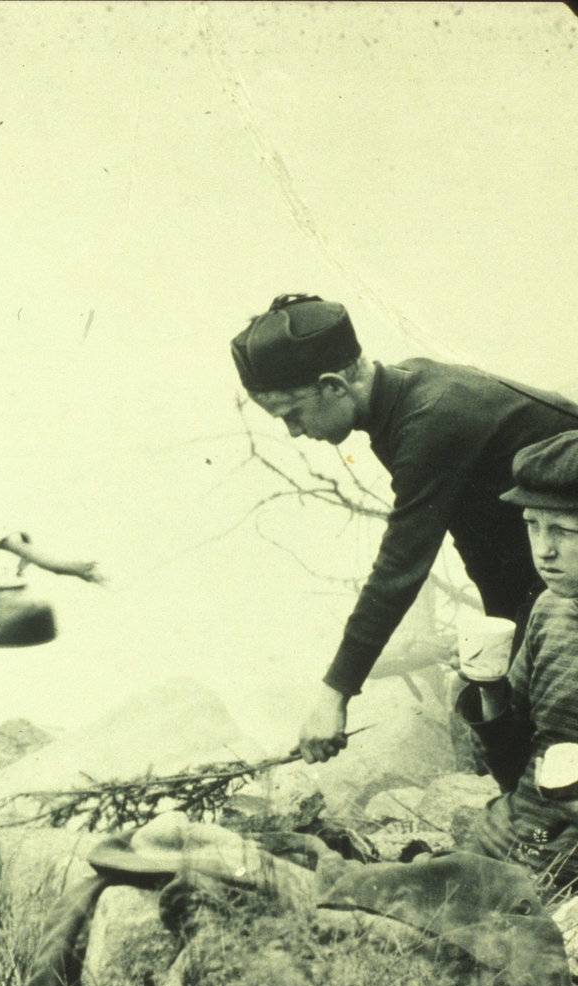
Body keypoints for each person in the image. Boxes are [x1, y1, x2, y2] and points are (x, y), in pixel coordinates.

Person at [231, 293, 578, 766]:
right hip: (550, 573)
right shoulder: (401, 398)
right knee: (501, 700)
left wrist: (334, 694)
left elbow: (401, 565)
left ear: (334, 385)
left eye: (293, 412)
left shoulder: (428, 419)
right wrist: (500, 636)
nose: (294, 431)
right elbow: (473, 535)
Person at [458, 432, 578, 891]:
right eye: (533, 525)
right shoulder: (551, 609)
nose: (544, 550)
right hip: (509, 839)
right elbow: (513, 769)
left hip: (563, 867)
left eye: (564, 531)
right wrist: (489, 689)